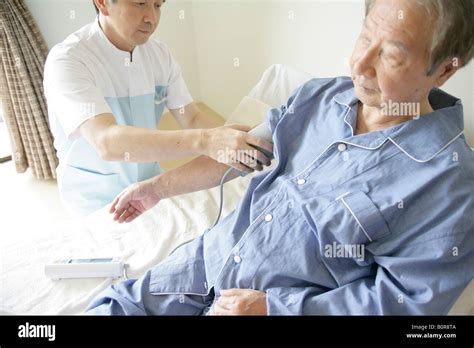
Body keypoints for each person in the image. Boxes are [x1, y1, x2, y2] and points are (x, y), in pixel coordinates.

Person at [86, 0, 474, 315]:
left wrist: (273, 308)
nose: (358, 64)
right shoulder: (319, 97)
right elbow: (239, 153)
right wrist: (158, 188)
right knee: (111, 308)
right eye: (365, 37)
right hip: (210, 259)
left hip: (272, 307)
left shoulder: (449, 185)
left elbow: (402, 303)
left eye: (391, 54)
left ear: (443, 70)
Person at [43, 0, 272, 217]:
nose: (151, 17)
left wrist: (235, 140)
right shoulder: (68, 60)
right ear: (102, 3)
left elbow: (190, 118)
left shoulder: (159, 55)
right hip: (95, 199)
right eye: (140, 3)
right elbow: (106, 141)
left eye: (158, 5)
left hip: (149, 186)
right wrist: (207, 141)